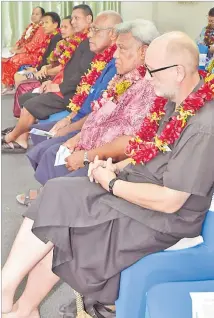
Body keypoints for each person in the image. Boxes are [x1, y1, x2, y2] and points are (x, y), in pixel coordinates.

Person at [2, 31, 214, 318]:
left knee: (69, 222)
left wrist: (111, 183)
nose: (147, 79)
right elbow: (149, 151)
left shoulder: (204, 125)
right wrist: (116, 167)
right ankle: (19, 302)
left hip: (163, 216)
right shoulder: (175, 100)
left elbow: (171, 201)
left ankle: (17, 301)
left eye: (151, 72)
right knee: (58, 191)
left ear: (178, 72)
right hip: (139, 185)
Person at [21, 19, 158, 197]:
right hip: (92, 142)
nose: (115, 55)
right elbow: (99, 115)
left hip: (108, 161)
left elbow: (130, 142)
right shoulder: (123, 78)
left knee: (56, 166)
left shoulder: (149, 88)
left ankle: (47, 202)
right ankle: (45, 199)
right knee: (54, 153)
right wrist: (78, 137)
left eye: (122, 48)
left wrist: (87, 155)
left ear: (144, 51)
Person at [1, 4, 94, 153]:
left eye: (77, 18)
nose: (73, 22)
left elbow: (83, 74)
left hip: (71, 94)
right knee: (26, 98)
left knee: (30, 104)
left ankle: (12, 137)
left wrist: (59, 86)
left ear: (89, 19)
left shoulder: (90, 43)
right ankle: (21, 137)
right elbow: (67, 69)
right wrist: (53, 81)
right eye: (73, 18)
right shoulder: (78, 40)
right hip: (64, 87)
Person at [1, 6, 46, 94]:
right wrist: (15, 47)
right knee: (4, 58)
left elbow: (34, 45)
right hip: (24, 51)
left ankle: (13, 86)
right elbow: (22, 39)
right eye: (33, 13)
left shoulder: (41, 28)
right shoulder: (30, 26)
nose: (34, 16)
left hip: (34, 54)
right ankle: (8, 85)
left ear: (42, 16)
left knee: (14, 60)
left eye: (37, 14)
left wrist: (18, 51)